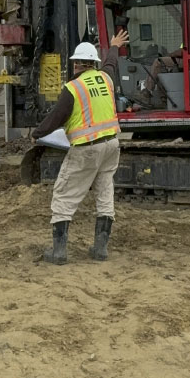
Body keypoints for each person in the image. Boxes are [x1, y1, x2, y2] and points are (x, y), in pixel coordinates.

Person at [31, 29, 129, 265]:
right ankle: (100, 249)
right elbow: (111, 64)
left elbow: (56, 117)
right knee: (105, 193)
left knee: (64, 195)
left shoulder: (73, 88)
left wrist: (36, 134)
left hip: (87, 149)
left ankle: (59, 252)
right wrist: (114, 46)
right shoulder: (106, 78)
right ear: (93, 63)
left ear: (76, 64)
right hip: (111, 145)